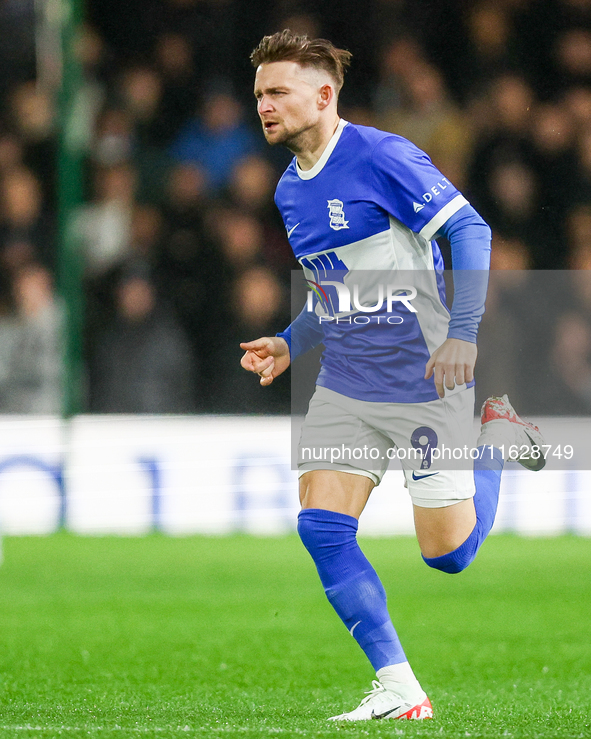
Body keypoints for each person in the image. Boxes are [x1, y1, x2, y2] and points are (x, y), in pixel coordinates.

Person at [240, 30, 546, 722]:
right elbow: (336, 289)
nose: (263, 104)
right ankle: (399, 687)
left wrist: (463, 334)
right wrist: (290, 342)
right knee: (320, 526)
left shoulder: (381, 156)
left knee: (447, 556)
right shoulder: (290, 190)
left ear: (323, 96)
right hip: (347, 381)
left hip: (423, 377)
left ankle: (492, 437)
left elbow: (469, 230)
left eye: (277, 91)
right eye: (259, 93)